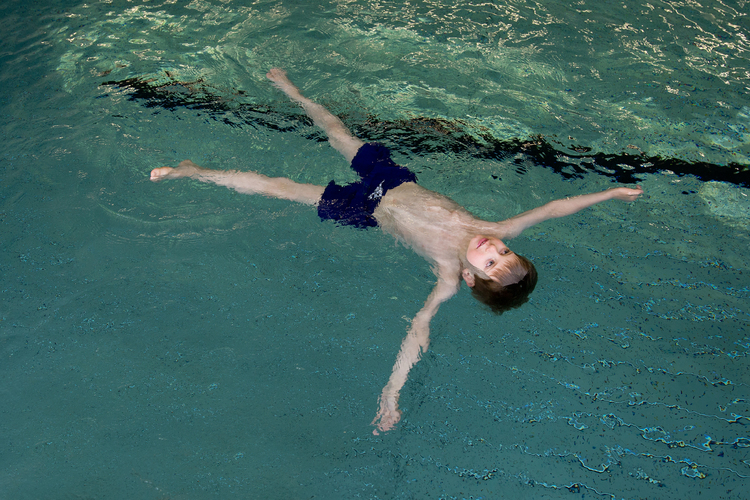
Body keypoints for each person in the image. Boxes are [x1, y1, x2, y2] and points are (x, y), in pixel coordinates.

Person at [150, 68, 644, 434]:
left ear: (472, 279)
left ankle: (193, 170)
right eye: (503, 251)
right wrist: (608, 194)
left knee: (279, 188)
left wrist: (391, 393)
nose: (492, 246)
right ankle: (291, 90)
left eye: (491, 262)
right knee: (338, 133)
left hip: (364, 210)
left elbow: (417, 331)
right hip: (392, 181)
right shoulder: (490, 225)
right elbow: (556, 207)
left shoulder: (448, 278)